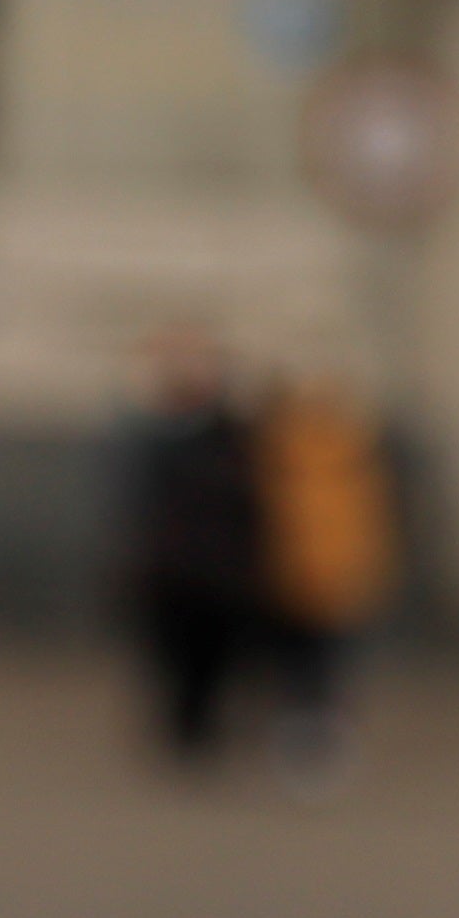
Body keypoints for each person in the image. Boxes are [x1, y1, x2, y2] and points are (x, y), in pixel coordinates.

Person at [249, 371, 401, 786]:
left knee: (325, 670)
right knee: (301, 671)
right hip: (292, 582)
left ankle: (321, 746)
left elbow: (369, 523)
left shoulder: (345, 456)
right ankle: (300, 745)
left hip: (331, 581)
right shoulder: (280, 456)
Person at [119, 326, 260, 768]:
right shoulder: (148, 432)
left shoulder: (234, 433)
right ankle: (182, 730)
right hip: (171, 564)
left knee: (213, 655)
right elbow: (132, 500)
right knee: (171, 652)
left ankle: (201, 730)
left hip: (219, 565)